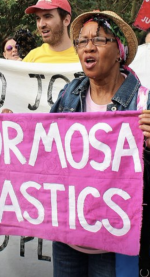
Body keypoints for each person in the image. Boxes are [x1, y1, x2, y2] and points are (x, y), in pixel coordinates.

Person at [50, 10, 150, 277]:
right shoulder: (69, 94)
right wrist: (12, 130)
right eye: (82, 41)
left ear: (119, 51)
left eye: (99, 40)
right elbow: (43, 149)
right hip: (67, 240)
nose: (88, 47)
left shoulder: (142, 104)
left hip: (114, 245)